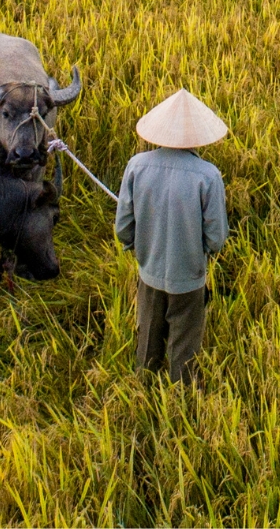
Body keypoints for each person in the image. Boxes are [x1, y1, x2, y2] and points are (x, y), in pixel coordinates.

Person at [115, 88, 229, 384]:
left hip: (149, 272)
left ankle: (143, 390)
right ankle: (182, 398)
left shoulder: (136, 166)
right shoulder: (208, 176)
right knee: (185, 343)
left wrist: (137, 247)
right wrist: (199, 251)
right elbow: (216, 237)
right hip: (189, 276)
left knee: (148, 334)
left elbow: (123, 225)